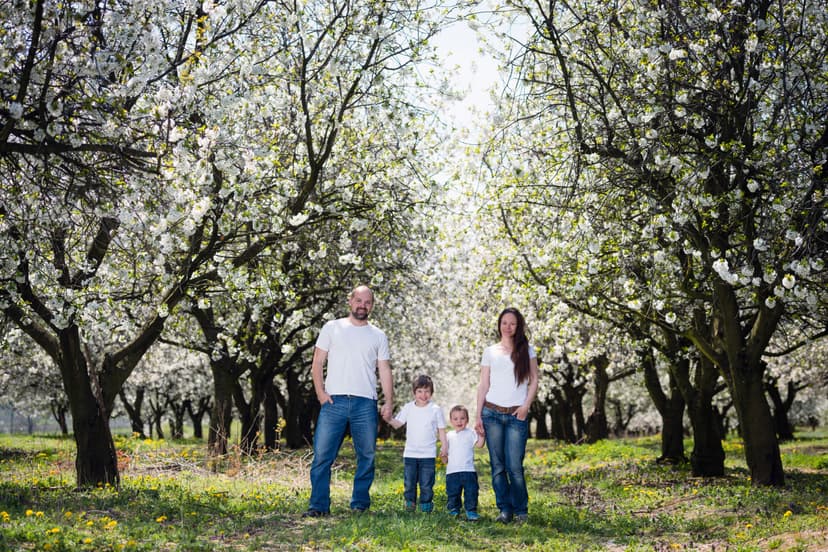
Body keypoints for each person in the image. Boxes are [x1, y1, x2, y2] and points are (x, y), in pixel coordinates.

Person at [303, 285, 394, 517]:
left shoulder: (378, 335)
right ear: (350, 301)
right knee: (323, 456)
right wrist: (320, 393)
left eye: (367, 302)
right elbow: (317, 363)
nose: (362, 305)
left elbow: (384, 370)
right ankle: (318, 506)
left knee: (367, 456)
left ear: (372, 306)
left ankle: (360, 504)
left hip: (365, 403)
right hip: (334, 402)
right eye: (359, 300)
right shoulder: (332, 328)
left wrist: (389, 402)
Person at [475, 307, 539, 524]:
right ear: (499, 324)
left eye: (512, 323)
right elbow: (483, 385)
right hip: (491, 413)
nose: (508, 327)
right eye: (504, 322)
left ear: (518, 325)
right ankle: (504, 509)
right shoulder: (490, 351)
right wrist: (477, 416)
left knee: (515, 467)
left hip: (516, 416)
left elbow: (534, 381)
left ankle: (521, 510)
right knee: (498, 466)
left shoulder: (527, 350)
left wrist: (525, 407)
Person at [384, 374, 447, 513]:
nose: (423, 395)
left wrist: (444, 446)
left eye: (427, 391)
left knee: (426, 483)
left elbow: (441, 430)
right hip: (411, 453)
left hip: (428, 454)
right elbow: (397, 424)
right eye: (419, 391)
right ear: (414, 392)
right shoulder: (408, 407)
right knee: (410, 482)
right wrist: (388, 419)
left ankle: (426, 505)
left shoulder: (435, 409)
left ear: (431, 393)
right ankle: (410, 504)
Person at [442, 404, 485, 521]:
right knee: (453, 493)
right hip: (452, 471)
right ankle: (453, 510)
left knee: (471, 492)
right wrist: (443, 457)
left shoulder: (471, 433)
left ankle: (471, 511)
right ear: (451, 421)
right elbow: (444, 455)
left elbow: (480, 445)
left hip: (468, 470)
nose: (459, 421)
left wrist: (481, 435)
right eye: (455, 419)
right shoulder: (448, 435)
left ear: (467, 420)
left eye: (462, 418)